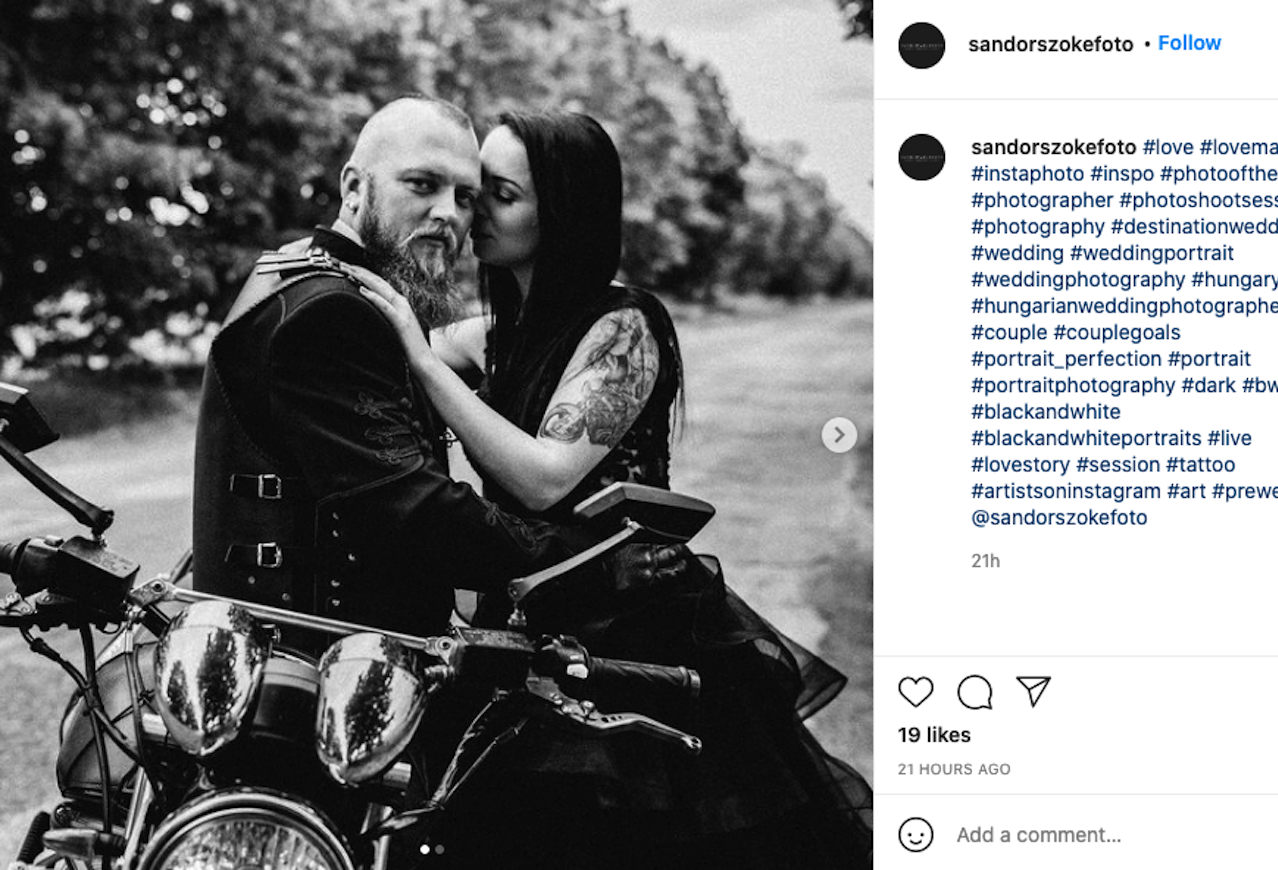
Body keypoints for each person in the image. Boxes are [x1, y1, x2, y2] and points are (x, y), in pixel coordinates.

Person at [349, 110, 872, 869]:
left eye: (497, 194)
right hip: (525, 616)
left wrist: (423, 365)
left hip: (629, 625)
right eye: (466, 192)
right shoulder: (495, 334)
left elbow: (541, 477)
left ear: (559, 211)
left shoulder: (623, 323)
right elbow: (369, 355)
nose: (470, 214)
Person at [192, 96, 649, 642]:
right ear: (354, 188)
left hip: (334, 654)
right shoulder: (336, 310)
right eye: (422, 184)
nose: (451, 214)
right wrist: (594, 558)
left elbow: (454, 352)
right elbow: (419, 514)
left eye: (468, 196)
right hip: (318, 664)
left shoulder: (311, 277)